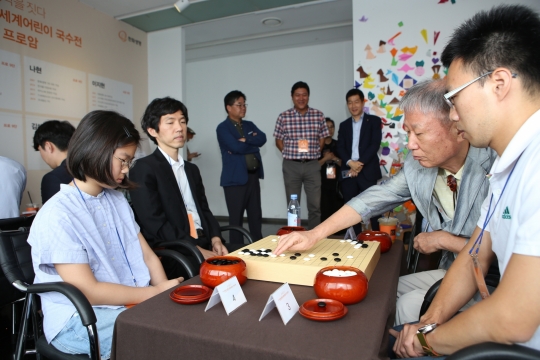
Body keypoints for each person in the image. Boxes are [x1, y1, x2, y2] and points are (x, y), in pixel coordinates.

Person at [274, 80, 497, 326]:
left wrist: (445, 240)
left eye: (419, 133)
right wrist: (314, 235)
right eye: (408, 133)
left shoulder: (495, 163)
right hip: (454, 270)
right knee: (385, 291)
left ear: (457, 125)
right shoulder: (417, 167)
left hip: (496, 280)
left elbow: (506, 249)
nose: (411, 144)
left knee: (407, 305)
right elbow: (371, 199)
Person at [390, 4, 540, 357]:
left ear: (499, 83)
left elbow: (513, 318)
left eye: (454, 98)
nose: (452, 114)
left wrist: (426, 340)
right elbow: (473, 256)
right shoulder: (507, 165)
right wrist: (427, 323)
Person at [27, 110, 182, 358]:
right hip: (79, 319)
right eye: (123, 160)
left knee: (180, 323)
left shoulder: (116, 199)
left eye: (129, 161)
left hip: (125, 304)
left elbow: (148, 256)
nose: (126, 169)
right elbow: (88, 291)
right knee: (164, 337)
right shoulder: (58, 213)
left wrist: (163, 290)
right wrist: (152, 294)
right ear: (95, 150)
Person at [130, 97, 229, 274]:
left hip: (203, 241)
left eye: (182, 121)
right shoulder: (144, 168)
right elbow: (155, 224)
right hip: (175, 250)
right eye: (170, 122)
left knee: (248, 260)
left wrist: (216, 239)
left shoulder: (191, 169)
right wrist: (197, 250)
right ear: (152, 131)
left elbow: (204, 210)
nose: (179, 128)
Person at [273, 81, 329, 229]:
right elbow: (278, 141)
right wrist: (289, 153)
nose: (301, 98)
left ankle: (315, 238)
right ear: (292, 97)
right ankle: (294, 237)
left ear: (308, 96)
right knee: (293, 207)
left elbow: (322, 138)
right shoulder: (283, 117)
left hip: (312, 165)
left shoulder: (318, 115)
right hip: (291, 166)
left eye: (304, 94)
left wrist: (314, 153)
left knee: (315, 205)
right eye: (297, 95)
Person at [217, 90, 266, 243]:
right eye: (239, 105)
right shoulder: (223, 128)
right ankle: (236, 249)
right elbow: (236, 147)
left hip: (253, 177)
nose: (243, 108)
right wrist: (253, 145)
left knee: (255, 215)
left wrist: (246, 141)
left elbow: (262, 138)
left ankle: (259, 245)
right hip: (234, 180)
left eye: (244, 104)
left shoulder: (249, 125)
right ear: (229, 107)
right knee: (236, 218)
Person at [337, 89, 382, 233]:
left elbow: (374, 144)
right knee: (351, 209)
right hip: (348, 171)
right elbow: (340, 147)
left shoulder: (374, 121)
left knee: (373, 208)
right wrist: (350, 163)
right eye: (350, 102)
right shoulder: (343, 125)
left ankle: (377, 238)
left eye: (356, 101)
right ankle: (355, 242)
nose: (353, 105)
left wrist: (358, 164)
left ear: (363, 102)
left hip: (367, 170)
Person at [32, 120, 76, 203]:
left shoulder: (53, 178)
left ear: (48, 146)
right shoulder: (89, 169)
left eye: (40, 150)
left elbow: (52, 214)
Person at [318, 118, 343, 223]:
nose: (330, 129)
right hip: (321, 182)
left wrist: (334, 159)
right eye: (326, 127)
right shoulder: (317, 146)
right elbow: (312, 167)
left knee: (337, 208)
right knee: (324, 209)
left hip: (337, 183)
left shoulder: (339, 145)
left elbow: (345, 164)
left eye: (332, 127)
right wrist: (325, 159)